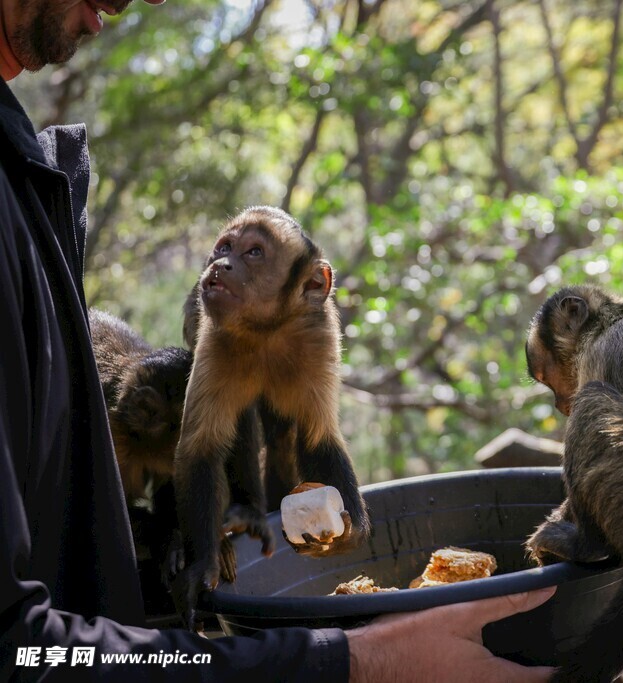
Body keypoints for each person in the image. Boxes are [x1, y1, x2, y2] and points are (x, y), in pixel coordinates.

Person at [0, 1, 556, 681]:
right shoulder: (24, 203)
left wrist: (341, 521)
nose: (221, 264)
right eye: (222, 248)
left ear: (313, 285)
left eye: (251, 252)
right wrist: (354, 660)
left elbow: (45, 615)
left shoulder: (25, 177)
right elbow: (21, 650)